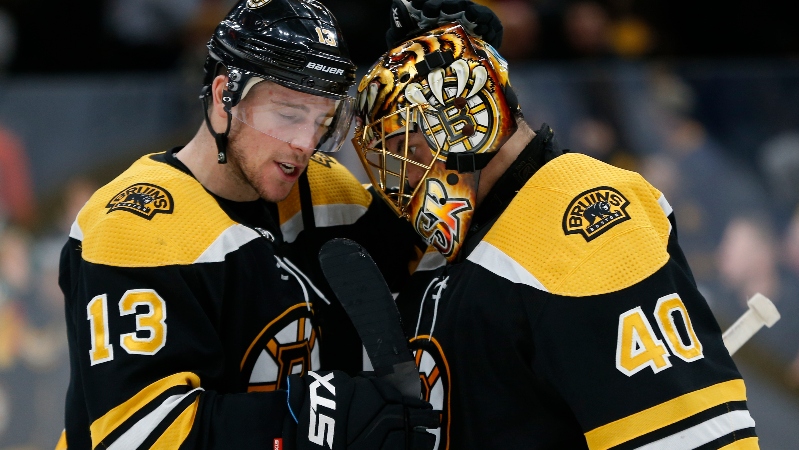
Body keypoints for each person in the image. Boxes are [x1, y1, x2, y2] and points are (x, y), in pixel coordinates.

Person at [56, 0, 510, 448]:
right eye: (289, 115)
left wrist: (459, 84)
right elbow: (135, 435)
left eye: (322, 121)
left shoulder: (324, 190)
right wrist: (311, 418)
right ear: (223, 97)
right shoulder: (134, 224)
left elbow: (443, 265)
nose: (305, 143)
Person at [352, 10, 761, 449]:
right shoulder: (465, 232)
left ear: (466, 124)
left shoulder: (580, 214)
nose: (404, 179)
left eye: (407, 150)